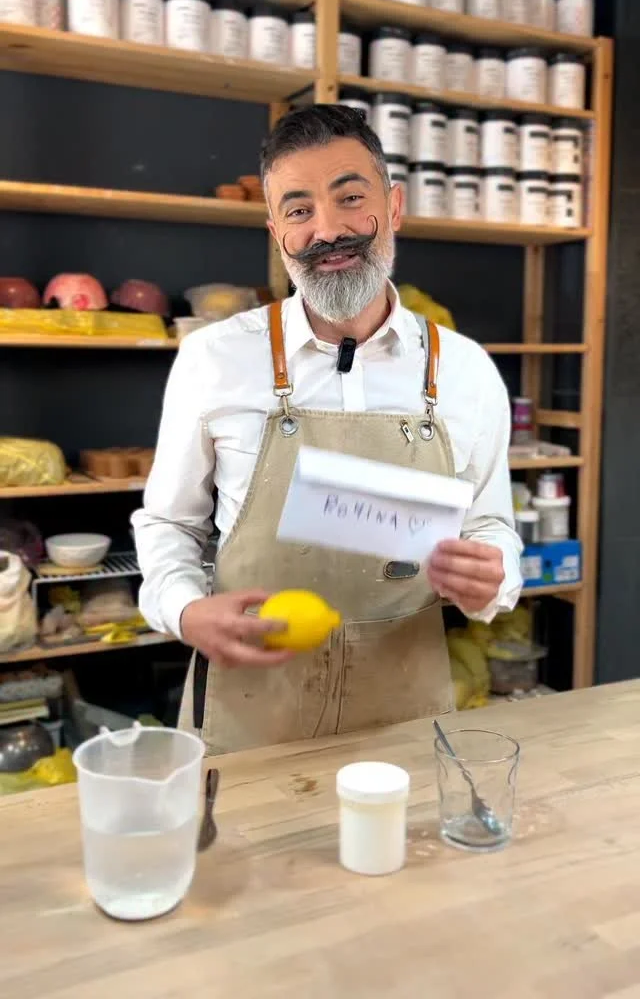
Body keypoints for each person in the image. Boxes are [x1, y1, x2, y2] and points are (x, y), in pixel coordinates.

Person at [132, 104, 522, 754]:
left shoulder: (466, 370)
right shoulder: (214, 359)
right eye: (298, 209)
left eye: (350, 198)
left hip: (405, 709)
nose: (328, 230)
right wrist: (184, 608)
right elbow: (168, 522)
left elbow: (490, 526)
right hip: (253, 708)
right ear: (275, 230)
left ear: (394, 206)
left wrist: (493, 576)